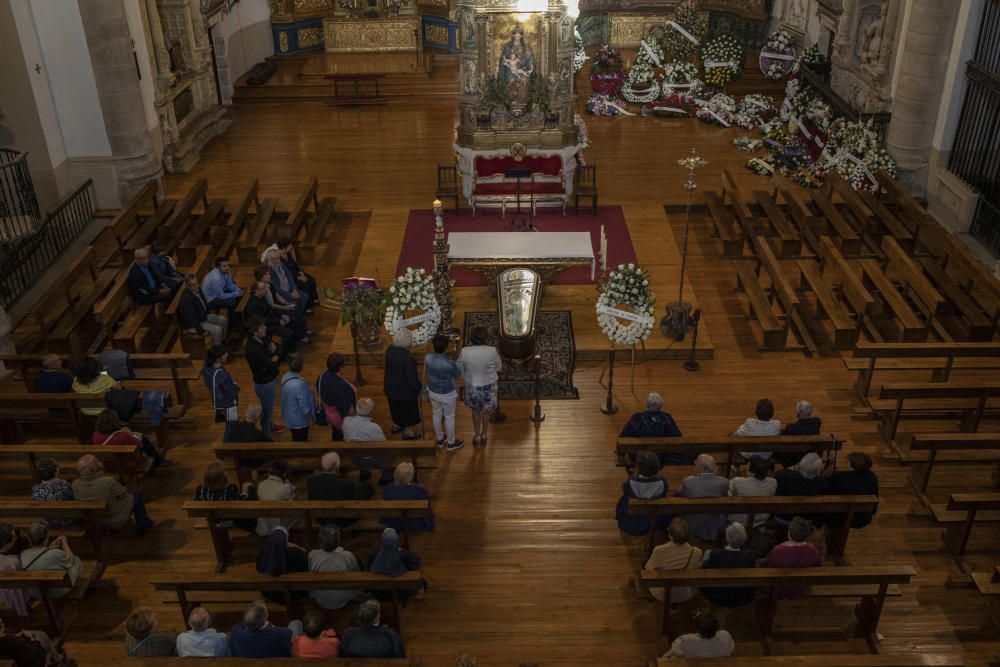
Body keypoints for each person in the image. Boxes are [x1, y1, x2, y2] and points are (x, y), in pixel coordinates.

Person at [71, 455, 153, 536]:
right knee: (137, 496)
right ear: (95, 468)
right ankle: (142, 525)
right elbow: (124, 493)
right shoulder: (108, 482)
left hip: (93, 519)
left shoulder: (75, 483)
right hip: (112, 517)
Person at [456, 326, 502, 446]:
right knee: (486, 412)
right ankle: (484, 434)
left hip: (472, 385)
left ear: (471, 338)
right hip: (489, 386)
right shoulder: (492, 351)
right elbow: (499, 367)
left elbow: (460, 369)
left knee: (475, 411)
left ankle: (476, 435)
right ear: (485, 338)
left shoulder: (465, 351)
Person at [758, 515, 822, 598]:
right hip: (801, 588)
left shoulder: (779, 550)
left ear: (789, 533)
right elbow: (817, 566)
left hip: (781, 588)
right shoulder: (813, 550)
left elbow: (767, 566)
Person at [245, 316, 287, 439]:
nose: (265, 328)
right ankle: (267, 437)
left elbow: (279, 347)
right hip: (264, 383)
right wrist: (274, 357)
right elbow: (272, 365)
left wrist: (275, 356)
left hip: (269, 378)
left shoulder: (263, 338)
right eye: (262, 327)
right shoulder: (253, 349)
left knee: (268, 407)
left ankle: (271, 426)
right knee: (267, 412)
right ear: (254, 332)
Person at [307, 452, 374, 527]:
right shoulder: (346, 484)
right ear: (337, 465)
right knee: (366, 487)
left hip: (321, 519)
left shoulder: (312, 481)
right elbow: (354, 501)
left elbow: (311, 498)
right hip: (343, 520)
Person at [620, 392, 689, 465]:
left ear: (646, 404)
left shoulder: (636, 418)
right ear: (661, 405)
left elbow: (623, 437)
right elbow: (677, 437)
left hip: (639, 456)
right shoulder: (667, 418)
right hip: (661, 457)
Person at [643, 518, 702, 604]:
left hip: (662, 593)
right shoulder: (696, 552)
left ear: (670, 535)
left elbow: (648, 568)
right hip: (685, 593)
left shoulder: (659, 550)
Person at [20, 521, 82, 599]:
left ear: (29, 539)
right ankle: (76, 591)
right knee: (77, 560)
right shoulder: (56, 553)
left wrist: (49, 548)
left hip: (36, 593)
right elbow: (70, 561)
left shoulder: (23, 554)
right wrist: (64, 543)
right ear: (47, 538)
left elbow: (40, 558)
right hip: (57, 591)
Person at [700, 522, 757, 607]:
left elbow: (704, 569)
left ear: (727, 538)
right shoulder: (750, 556)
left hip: (717, 596)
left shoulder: (715, 554)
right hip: (743, 597)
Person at [675, 454, 730, 541]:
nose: (694, 464)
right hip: (716, 525)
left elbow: (678, 494)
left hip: (693, 523)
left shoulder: (688, 481)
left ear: (701, 467)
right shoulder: (724, 482)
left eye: (696, 463)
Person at [246, 280, 308, 357]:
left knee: (293, 320)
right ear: (257, 291)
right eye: (264, 288)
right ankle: (284, 354)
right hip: (266, 326)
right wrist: (279, 322)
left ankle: (293, 346)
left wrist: (282, 316)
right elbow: (263, 321)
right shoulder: (253, 304)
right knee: (288, 333)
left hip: (272, 320)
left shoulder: (261, 297)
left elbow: (271, 309)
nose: (266, 289)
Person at [308, 524, 362, 610]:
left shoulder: (312, 554)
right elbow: (357, 574)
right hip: (344, 596)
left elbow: (310, 572)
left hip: (321, 597)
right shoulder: (348, 556)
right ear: (338, 541)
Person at [616, 450, 669, 536]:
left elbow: (626, 495)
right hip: (655, 520)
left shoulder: (630, 483)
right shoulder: (662, 483)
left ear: (638, 468)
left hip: (634, 520)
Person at [425, 334, 463, 451]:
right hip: (447, 393)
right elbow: (458, 375)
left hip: (432, 391)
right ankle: (451, 443)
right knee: (449, 417)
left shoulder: (428, 358)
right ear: (446, 348)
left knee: (436, 414)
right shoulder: (449, 363)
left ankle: (440, 439)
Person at [193, 462, 257, 532]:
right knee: (248, 486)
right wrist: (245, 491)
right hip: (227, 520)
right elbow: (242, 503)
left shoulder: (200, 490)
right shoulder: (229, 492)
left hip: (212, 519)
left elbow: (196, 500)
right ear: (223, 479)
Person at [383, 328, 422, 441]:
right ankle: (407, 433)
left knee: (394, 408)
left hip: (390, 386)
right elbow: (411, 380)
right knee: (407, 412)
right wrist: (418, 388)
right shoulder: (408, 358)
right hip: (404, 391)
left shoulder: (389, 350)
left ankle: (396, 425)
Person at [230, 600, 303, 659]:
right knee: (295, 623)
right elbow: (288, 633)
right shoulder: (278, 634)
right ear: (265, 617)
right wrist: (270, 626)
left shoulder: (236, 631)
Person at [92, 408, 164, 467]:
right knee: (142, 438)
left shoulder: (95, 434)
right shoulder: (122, 436)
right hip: (125, 465)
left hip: (107, 464)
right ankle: (157, 461)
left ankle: (157, 459)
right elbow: (140, 446)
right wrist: (129, 434)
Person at [256, 527, 309, 604]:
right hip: (295, 594)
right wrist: (296, 547)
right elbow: (306, 558)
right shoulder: (297, 554)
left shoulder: (262, 556)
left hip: (270, 593)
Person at [827, 452, 879, 529]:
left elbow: (828, 490)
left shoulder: (840, 476)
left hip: (840, 516)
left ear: (851, 465)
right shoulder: (872, 476)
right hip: (863, 517)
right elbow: (875, 496)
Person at [339, 599, 405, 658]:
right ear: (377, 616)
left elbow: (342, 654)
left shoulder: (348, 633)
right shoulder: (391, 635)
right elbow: (400, 657)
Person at [775, 452, 828, 522]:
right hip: (807, 518)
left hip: (783, 517)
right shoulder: (822, 482)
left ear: (800, 465)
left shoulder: (784, 475)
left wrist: (791, 468)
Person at [178, 272, 228, 346]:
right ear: (187, 286)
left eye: (197, 283)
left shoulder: (197, 289)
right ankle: (217, 349)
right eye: (193, 285)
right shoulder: (187, 300)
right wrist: (201, 331)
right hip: (194, 325)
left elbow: (204, 303)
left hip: (202, 317)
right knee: (218, 330)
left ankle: (222, 340)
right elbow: (191, 319)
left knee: (224, 320)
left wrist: (208, 313)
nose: (196, 286)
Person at [383, 462, 435, 532]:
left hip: (395, 522)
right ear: (410, 476)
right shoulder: (419, 489)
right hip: (415, 523)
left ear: (396, 474)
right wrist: (430, 523)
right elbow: (426, 508)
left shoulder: (388, 488)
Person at [728, 455, 777, 529]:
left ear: (753, 473)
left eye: (747, 469)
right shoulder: (773, 482)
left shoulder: (737, 481)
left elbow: (729, 494)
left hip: (739, 519)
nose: (746, 470)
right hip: (762, 519)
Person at [662, 609, 734, 659]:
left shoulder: (686, 639)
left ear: (696, 627)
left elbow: (676, 651)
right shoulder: (725, 635)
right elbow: (731, 648)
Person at [317, 352, 357, 441]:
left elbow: (318, 390)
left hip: (329, 413)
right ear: (340, 367)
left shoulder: (323, 374)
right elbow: (349, 409)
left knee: (335, 431)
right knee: (342, 434)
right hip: (340, 417)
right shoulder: (341, 387)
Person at [203, 345, 239, 437]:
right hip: (227, 403)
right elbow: (231, 394)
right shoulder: (222, 375)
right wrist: (235, 385)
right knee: (231, 427)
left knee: (229, 423)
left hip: (217, 400)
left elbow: (208, 383)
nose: (226, 354)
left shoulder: (206, 368)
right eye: (224, 354)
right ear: (218, 359)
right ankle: (228, 444)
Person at [774, 399, 822, 467]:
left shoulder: (791, 427)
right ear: (810, 412)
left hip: (795, 457)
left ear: (798, 412)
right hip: (810, 453)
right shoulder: (816, 422)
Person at [256, 460, 298, 536]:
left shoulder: (261, 485)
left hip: (264, 523)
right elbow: (294, 499)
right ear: (285, 474)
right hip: (278, 523)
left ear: (270, 470)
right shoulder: (286, 488)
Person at [273, 237, 319, 307]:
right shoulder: (278, 258)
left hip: (296, 273)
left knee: (311, 280)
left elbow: (294, 264)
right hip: (291, 278)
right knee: (304, 285)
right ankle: (307, 306)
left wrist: (301, 273)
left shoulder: (288, 253)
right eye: (289, 245)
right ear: (283, 247)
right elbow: (285, 274)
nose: (291, 247)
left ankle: (315, 299)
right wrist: (299, 278)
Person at [280, 353, 315, 441]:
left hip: (289, 415)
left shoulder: (285, 376)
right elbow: (304, 407)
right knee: (301, 440)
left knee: (295, 437)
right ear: (301, 366)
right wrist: (311, 417)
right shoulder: (299, 384)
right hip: (299, 420)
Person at [31, 458, 75, 526]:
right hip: (64, 521)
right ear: (57, 471)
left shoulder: (36, 489)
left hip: (46, 521)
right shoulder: (65, 487)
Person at [267, 249, 309, 314]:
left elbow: (289, 276)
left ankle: (299, 314)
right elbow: (277, 289)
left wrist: (294, 289)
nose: (276, 260)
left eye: (278, 258)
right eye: (273, 259)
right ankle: (296, 315)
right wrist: (290, 295)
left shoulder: (282, 264)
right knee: (295, 306)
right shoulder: (269, 271)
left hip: (290, 289)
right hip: (283, 294)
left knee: (305, 297)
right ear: (269, 259)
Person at [0, 524, 28, 617]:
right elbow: (18, 590)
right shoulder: (13, 563)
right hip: (9, 605)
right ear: (6, 543)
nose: (16, 538)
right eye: (13, 537)